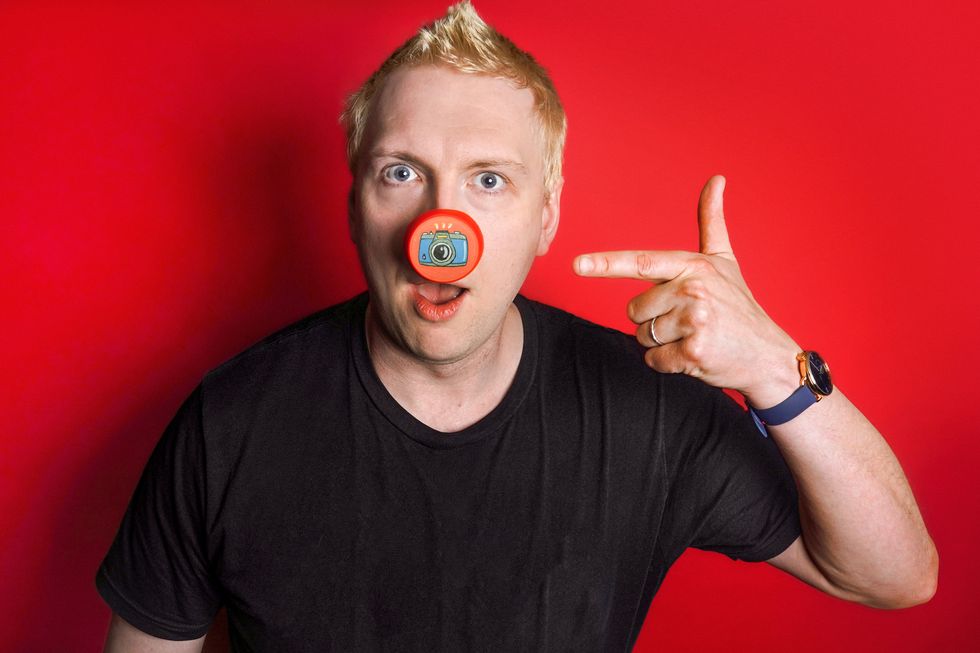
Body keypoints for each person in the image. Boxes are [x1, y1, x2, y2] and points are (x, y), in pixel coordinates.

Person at [97, 2, 938, 651]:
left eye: (489, 180)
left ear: (546, 216)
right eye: (401, 172)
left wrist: (775, 369)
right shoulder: (231, 423)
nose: (441, 230)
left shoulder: (649, 409)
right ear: (354, 208)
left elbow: (896, 575)